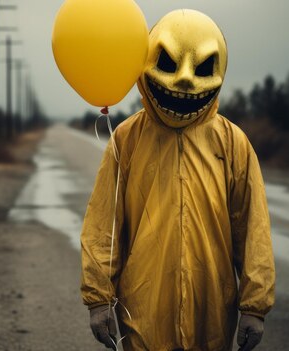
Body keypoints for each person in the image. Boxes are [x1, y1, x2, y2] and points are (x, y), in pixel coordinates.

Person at [80, 9, 275, 351]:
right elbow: (103, 225)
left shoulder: (232, 143)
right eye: (168, 63)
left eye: (201, 68)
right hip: (141, 305)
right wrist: (98, 299)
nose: (184, 81)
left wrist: (254, 307)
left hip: (212, 304)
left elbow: (253, 228)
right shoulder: (128, 139)